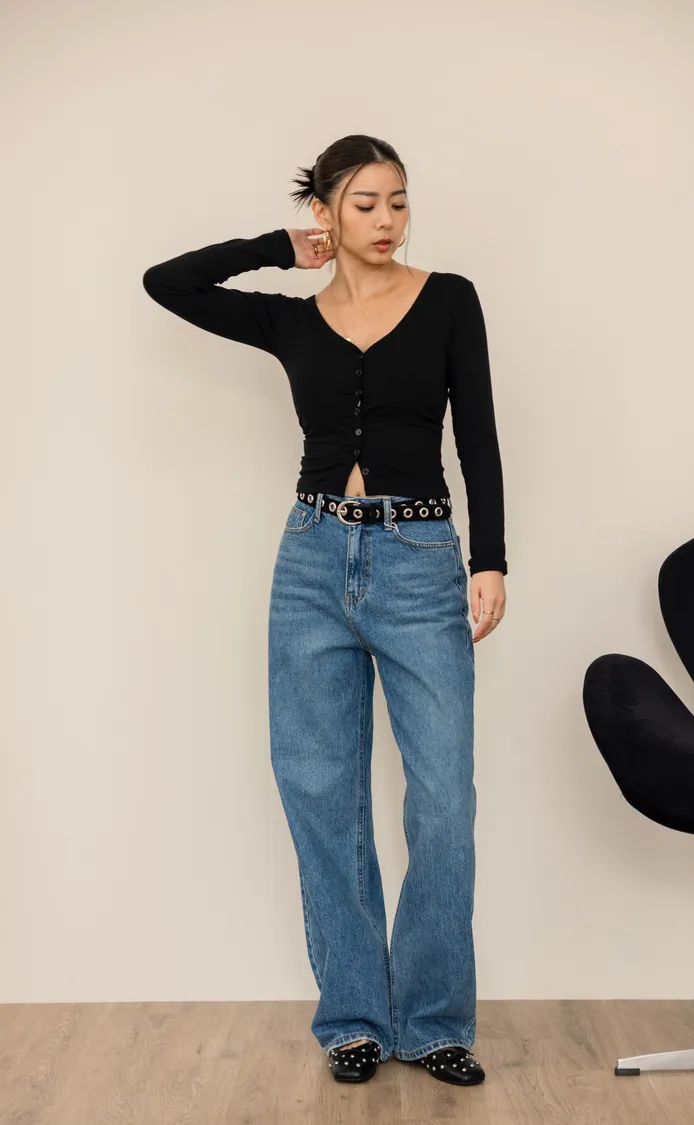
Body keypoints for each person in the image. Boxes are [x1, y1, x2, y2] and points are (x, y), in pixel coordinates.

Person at [142, 133, 507, 1086]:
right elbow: (166, 282)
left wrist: (491, 560)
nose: (388, 220)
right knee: (320, 792)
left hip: (421, 560)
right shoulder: (291, 321)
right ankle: (353, 1017)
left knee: (444, 801)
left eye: (399, 201)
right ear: (327, 214)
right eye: (365, 204)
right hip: (310, 560)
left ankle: (433, 1021)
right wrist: (276, 247)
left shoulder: (450, 299)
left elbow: (479, 435)